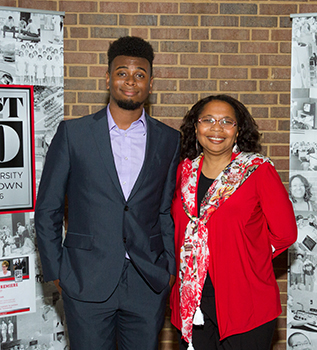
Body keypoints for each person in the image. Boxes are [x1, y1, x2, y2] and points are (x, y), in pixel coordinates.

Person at [35, 36, 180, 350]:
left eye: (140, 74)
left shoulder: (169, 140)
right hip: (86, 278)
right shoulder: (74, 134)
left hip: (147, 281)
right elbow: (48, 208)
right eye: (122, 73)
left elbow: (165, 210)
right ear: (108, 78)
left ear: (151, 83)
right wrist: (57, 271)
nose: (130, 80)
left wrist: (169, 267)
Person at [169, 95, 297, 350]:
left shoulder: (258, 170)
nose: (217, 128)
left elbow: (285, 233)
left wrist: (246, 256)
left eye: (227, 122)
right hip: (191, 302)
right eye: (208, 120)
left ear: (238, 131)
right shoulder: (183, 172)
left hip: (245, 302)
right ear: (196, 127)